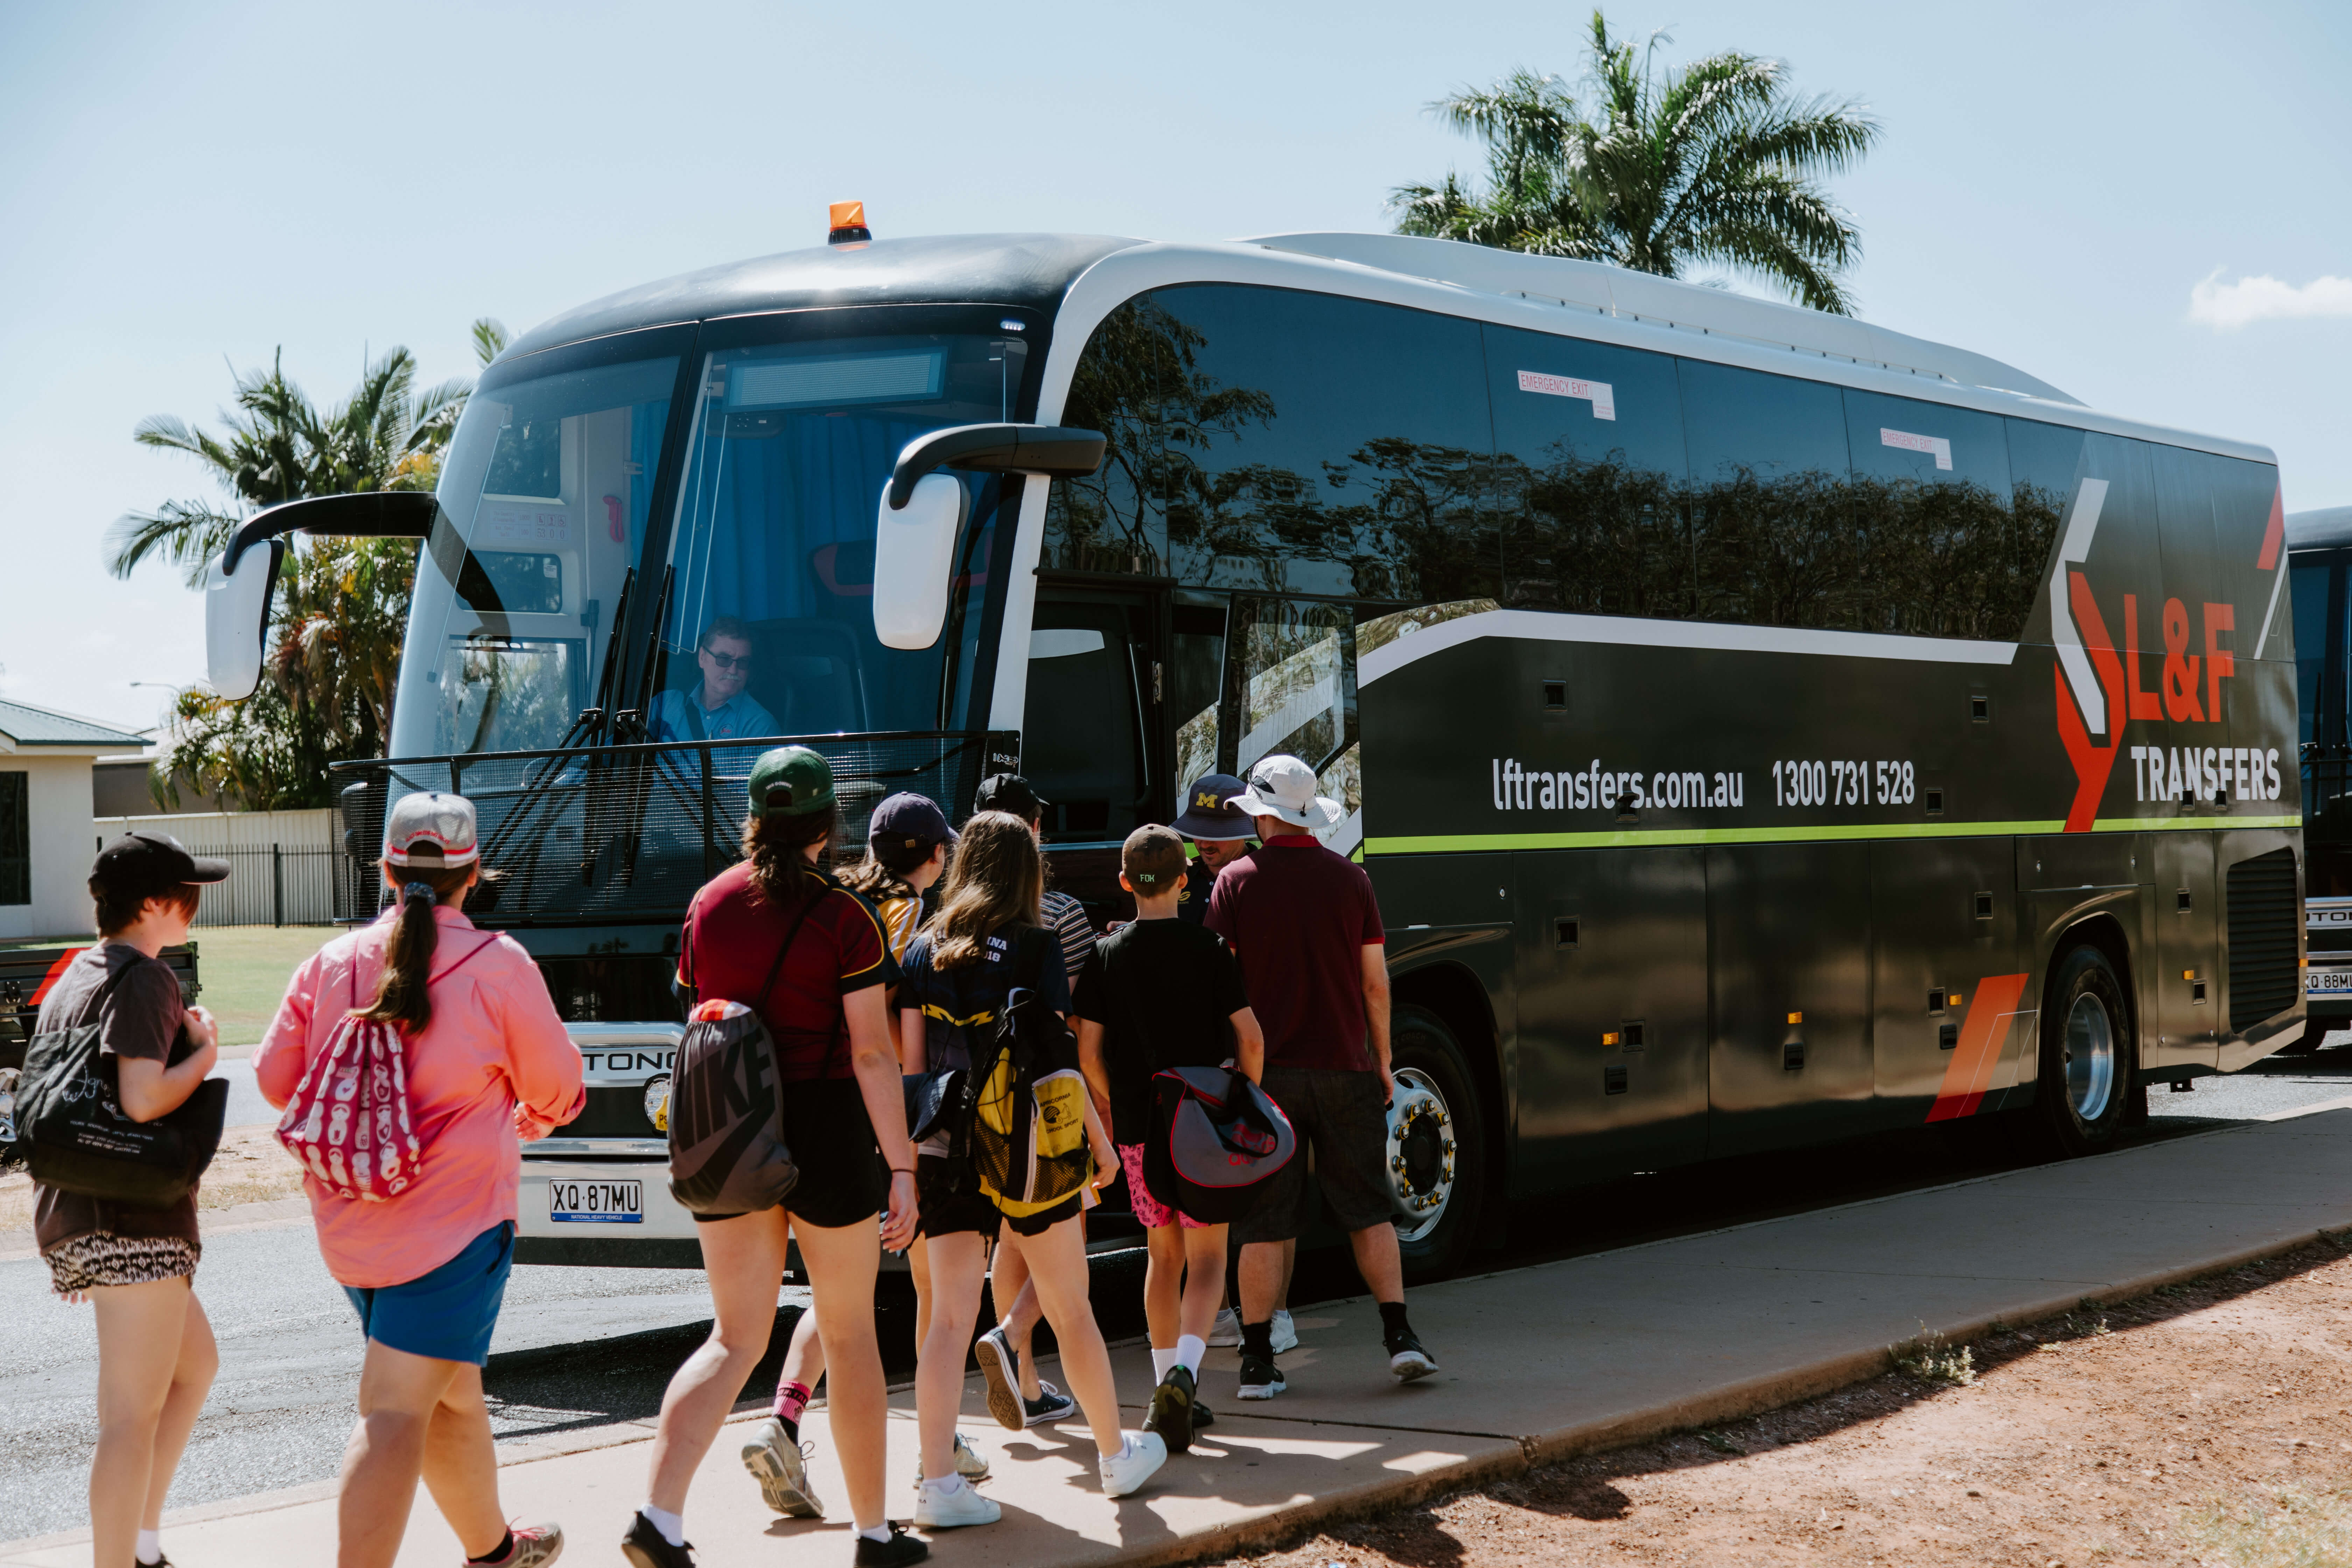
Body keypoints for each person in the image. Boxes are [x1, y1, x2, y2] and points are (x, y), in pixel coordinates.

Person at [255, 794, 583, 1568]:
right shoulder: (500, 962)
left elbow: (276, 1080)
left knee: (452, 1393)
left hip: (351, 1225)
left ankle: (496, 1549)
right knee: (396, 1408)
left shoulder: (331, 962)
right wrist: (528, 1110)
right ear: (474, 874)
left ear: (386, 869)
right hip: (456, 1227)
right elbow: (560, 1086)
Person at [626, 748, 926, 1568]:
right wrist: (902, 1166)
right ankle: (872, 1534)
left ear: (754, 819)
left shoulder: (708, 905)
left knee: (734, 1337)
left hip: (730, 1125)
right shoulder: (846, 917)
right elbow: (872, 1055)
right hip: (826, 1129)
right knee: (850, 1332)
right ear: (828, 828)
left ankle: (659, 1515)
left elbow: (705, 1016)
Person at [898, 811, 1166, 1527]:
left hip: (943, 1142)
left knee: (948, 1319)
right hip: (1026, 1149)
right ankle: (1115, 1455)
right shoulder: (1038, 947)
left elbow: (912, 1068)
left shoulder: (924, 948)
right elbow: (1057, 1060)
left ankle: (938, 1483)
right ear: (1027, 872)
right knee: (1070, 1303)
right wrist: (1100, 1149)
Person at [740, 791, 974, 1519]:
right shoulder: (919, 920)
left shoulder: (841, 897)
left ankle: (784, 1416)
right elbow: (895, 1037)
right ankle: (942, 1449)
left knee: (842, 1292)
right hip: (895, 1119)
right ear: (934, 856)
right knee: (928, 1293)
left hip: (810, 1114)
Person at [1206, 754, 1439, 1401]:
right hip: (1345, 1066)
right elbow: (1375, 983)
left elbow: (1218, 984)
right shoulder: (1352, 882)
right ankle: (1401, 1339)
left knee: (1264, 1221)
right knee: (1368, 1211)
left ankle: (1256, 1363)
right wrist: (1383, 1060)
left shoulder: (1235, 883)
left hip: (1266, 1077)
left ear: (1261, 815)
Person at [34, 833, 229, 1568]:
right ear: (152, 903)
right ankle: (121, 1560)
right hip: (132, 1215)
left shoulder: (74, 973)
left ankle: (142, 1546)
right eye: (187, 891)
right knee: (128, 1415)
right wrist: (206, 1051)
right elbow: (142, 1098)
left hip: (83, 1209)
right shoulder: (146, 979)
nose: (196, 903)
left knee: (194, 1364)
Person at [1074, 825, 1264, 1453]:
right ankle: (1186, 1374)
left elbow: (1089, 1050)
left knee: (1163, 1255)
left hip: (1140, 1130)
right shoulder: (1210, 948)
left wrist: (1111, 1102)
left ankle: (1163, 1387)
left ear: (1125, 883)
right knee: (1210, 1259)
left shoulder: (1105, 956)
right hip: (1206, 1124)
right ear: (1186, 881)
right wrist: (1246, 1097)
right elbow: (1251, 1037)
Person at [963, 773, 1094, 1432]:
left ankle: (1030, 1379)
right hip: (1046, 1105)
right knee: (1064, 1240)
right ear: (1032, 831)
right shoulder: (1060, 916)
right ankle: (1015, 1339)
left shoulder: (947, 925)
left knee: (1009, 1237)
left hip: (971, 1111)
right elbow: (1062, 1030)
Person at [649, 617, 779, 748]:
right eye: (723, 659)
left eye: (743, 662)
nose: (734, 670)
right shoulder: (665, 704)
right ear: (702, 657)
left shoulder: (759, 724)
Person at [1168, 771, 1255, 928]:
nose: (1205, 844)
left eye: (1217, 834)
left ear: (1241, 833)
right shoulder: (1180, 876)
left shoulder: (1263, 878)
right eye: (1197, 832)